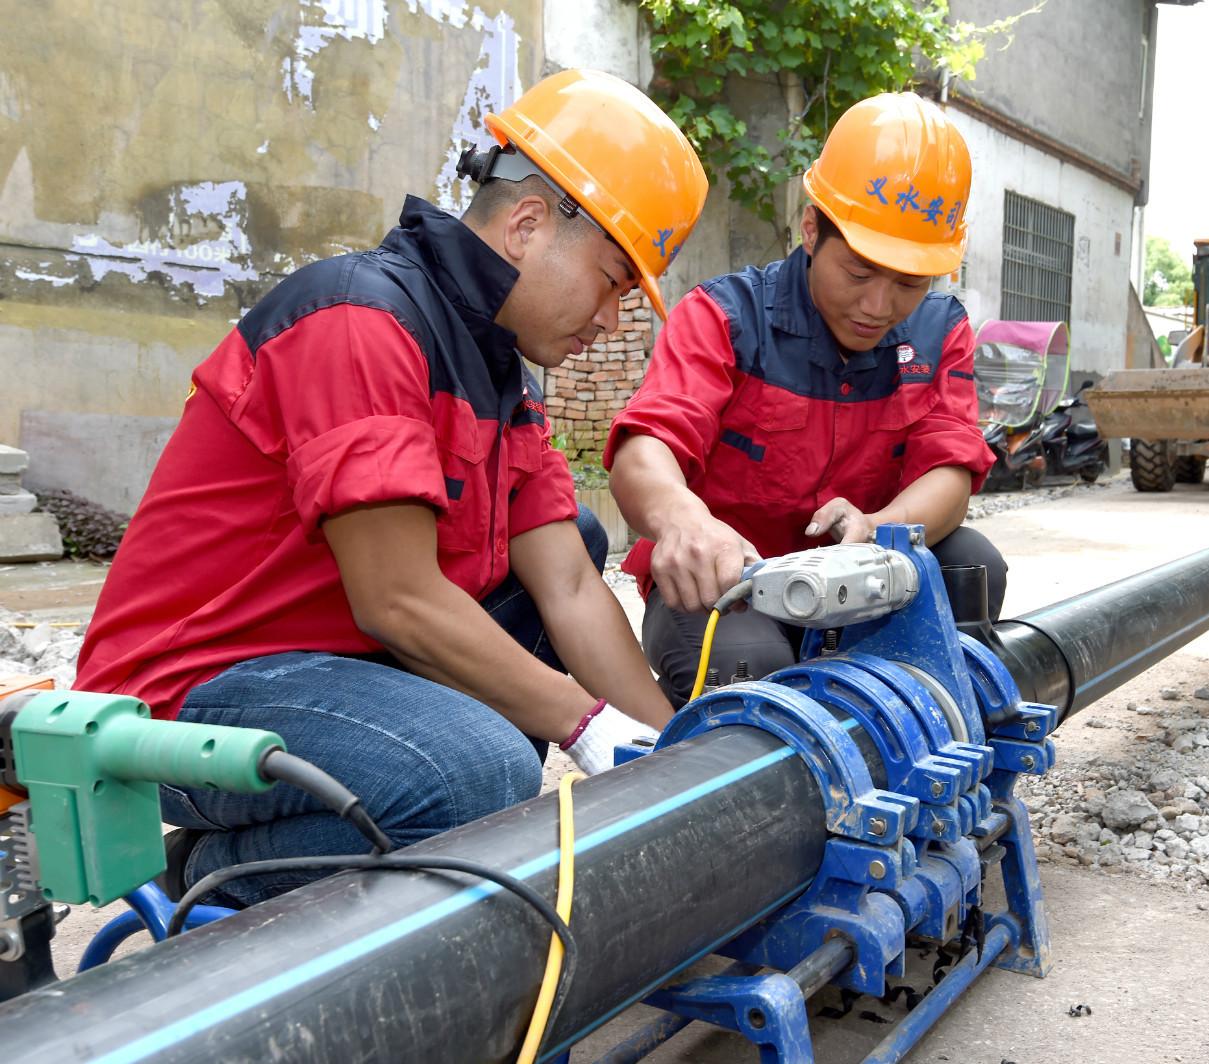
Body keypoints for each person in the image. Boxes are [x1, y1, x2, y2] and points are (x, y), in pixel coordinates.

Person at [74, 69, 708, 906]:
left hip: (332, 674)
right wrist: (585, 723)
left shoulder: (497, 375)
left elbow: (570, 584)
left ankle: (393, 837)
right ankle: (206, 880)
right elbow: (398, 601)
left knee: (561, 578)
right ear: (526, 224)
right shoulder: (361, 321)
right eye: (614, 281)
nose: (611, 320)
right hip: (192, 692)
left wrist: (675, 758)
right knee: (473, 769)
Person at [605, 92, 1002, 706]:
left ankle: (927, 735)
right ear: (812, 229)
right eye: (860, 273)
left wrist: (876, 527)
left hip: (864, 571)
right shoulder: (726, 318)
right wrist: (684, 521)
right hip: (733, 582)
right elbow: (646, 448)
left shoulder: (940, 330)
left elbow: (950, 467)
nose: (879, 306)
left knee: (973, 565)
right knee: (755, 673)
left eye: (909, 283)